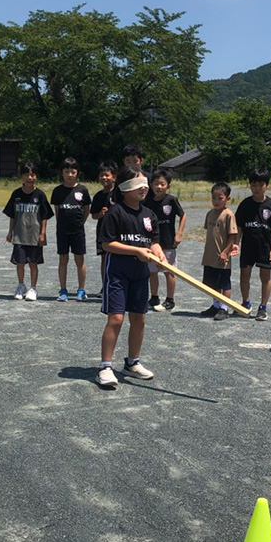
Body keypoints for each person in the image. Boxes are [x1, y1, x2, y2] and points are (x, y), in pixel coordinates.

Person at [96, 165, 166, 389]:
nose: (144, 188)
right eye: (138, 184)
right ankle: (105, 366)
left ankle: (132, 363)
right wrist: (136, 251)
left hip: (140, 275)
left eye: (145, 183)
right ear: (125, 188)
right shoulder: (115, 213)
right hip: (117, 273)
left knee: (139, 318)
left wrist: (159, 253)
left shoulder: (149, 215)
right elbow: (107, 244)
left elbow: (153, 241)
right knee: (116, 319)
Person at [3, 161, 54, 301]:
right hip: (20, 235)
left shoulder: (40, 195)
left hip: (34, 236)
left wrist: (43, 233)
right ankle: (21, 285)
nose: (29, 178)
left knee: (33, 263)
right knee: (20, 263)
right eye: (26, 175)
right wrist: (10, 232)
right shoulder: (16, 194)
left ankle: (33, 288)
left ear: (36, 177)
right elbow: (12, 215)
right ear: (22, 177)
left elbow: (45, 216)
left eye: (32, 175)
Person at [235, 168, 271, 321]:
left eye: (260, 185)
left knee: (265, 277)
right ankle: (245, 303)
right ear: (250, 185)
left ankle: (263, 307)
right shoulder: (245, 204)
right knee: (244, 275)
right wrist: (236, 244)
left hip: (265, 247)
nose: (257, 188)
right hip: (248, 246)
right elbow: (239, 227)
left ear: (266, 185)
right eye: (254, 185)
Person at [144, 169, 187, 311]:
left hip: (168, 242)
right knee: (152, 272)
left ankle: (170, 299)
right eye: (156, 183)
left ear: (168, 185)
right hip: (152, 243)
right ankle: (154, 297)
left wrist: (179, 233)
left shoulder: (171, 200)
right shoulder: (147, 202)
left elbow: (183, 215)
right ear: (151, 185)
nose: (159, 187)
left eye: (162, 184)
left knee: (169, 271)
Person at [50, 157, 92, 301]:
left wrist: (80, 223)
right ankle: (63, 290)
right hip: (62, 231)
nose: (70, 175)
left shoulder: (82, 190)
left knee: (79, 259)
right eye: (66, 172)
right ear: (62, 173)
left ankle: (81, 290)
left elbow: (86, 210)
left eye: (73, 172)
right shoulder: (57, 191)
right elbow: (57, 211)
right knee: (63, 259)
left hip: (78, 231)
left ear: (77, 172)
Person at [200, 182, 239, 320]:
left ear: (227, 198)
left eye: (220, 198)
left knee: (224, 283)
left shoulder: (228, 215)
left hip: (223, 257)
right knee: (212, 283)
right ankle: (216, 305)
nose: (216, 201)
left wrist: (225, 252)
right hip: (210, 256)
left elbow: (233, 236)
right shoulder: (210, 214)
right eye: (214, 198)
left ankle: (224, 307)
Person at [90, 161, 117, 297]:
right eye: (101, 175)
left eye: (107, 175)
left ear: (114, 177)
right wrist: (100, 214)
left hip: (117, 232)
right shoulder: (98, 196)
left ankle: (117, 286)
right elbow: (93, 215)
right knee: (104, 259)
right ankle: (105, 286)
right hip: (103, 231)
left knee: (118, 259)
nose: (104, 178)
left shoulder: (119, 194)